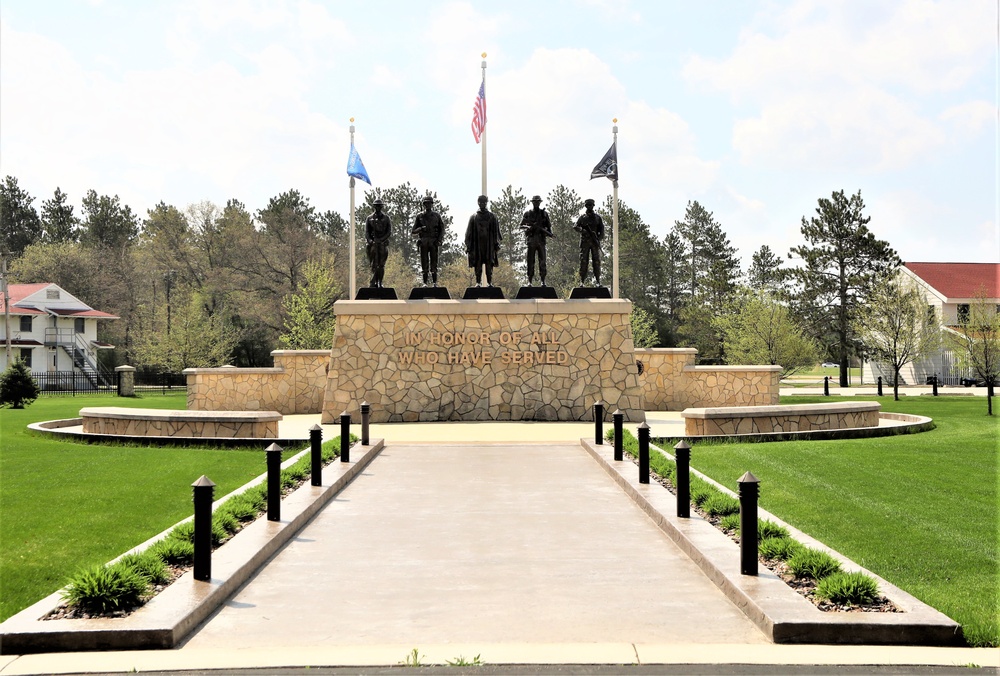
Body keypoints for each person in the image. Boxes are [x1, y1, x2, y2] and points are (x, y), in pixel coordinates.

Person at [465, 195, 501, 286]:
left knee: (489, 263)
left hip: (489, 244)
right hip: (477, 244)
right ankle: (478, 282)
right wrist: (468, 246)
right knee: (478, 263)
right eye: (481, 202)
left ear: (486, 203)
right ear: (478, 203)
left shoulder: (492, 217)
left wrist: (496, 244)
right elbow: (468, 232)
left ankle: (490, 282)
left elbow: (496, 231)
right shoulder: (473, 217)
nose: (482, 204)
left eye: (484, 202)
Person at [519, 195, 554, 286]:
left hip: (541, 240)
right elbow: (521, 226)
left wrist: (548, 233)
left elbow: (549, 227)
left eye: (538, 202)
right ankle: (529, 281)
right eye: (535, 201)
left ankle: (543, 281)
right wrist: (529, 227)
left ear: (540, 202)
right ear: (532, 202)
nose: (536, 203)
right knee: (530, 261)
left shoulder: (544, 214)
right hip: (531, 240)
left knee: (542, 261)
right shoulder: (528, 213)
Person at [411, 196, 445, 286]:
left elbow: (442, 229)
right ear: (424, 205)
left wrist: (439, 240)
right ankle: (425, 283)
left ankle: (434, 282)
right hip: (424, 241)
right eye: (426, 203)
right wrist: (421, 229)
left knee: (434, 262)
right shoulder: (420, 216)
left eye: (429, 203)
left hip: (433, 241)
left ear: (432, 204)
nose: (428, 205)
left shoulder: (436, 216)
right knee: (424, 262)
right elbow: (413, 231)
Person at [574, 198, 605, 286]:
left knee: (596, 262)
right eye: (588, 205)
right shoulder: (582, 217)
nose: (589, 207)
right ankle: (582, 281)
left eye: (591, 205)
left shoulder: (598, 218)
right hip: (585, 243)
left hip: (594, 243)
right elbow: (575, 226)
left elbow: (602, 231)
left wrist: (598, 239)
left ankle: (598, 281)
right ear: (585, 206)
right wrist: (583, 231)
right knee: (583, 261)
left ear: (593, 206)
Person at [365, 198, 392, 288]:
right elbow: (367, 232)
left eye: (379, 206)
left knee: (381, 265)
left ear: (382, 207)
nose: (378, 207)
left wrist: (382, 240)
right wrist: (370, 241)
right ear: (374, 206)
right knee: (373, 264)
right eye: (376, 206)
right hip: (373, 244)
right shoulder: (369, 218)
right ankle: (374, 282)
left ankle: (380, 282)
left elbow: (389, 232)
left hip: (382, 243)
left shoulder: (386, 218)